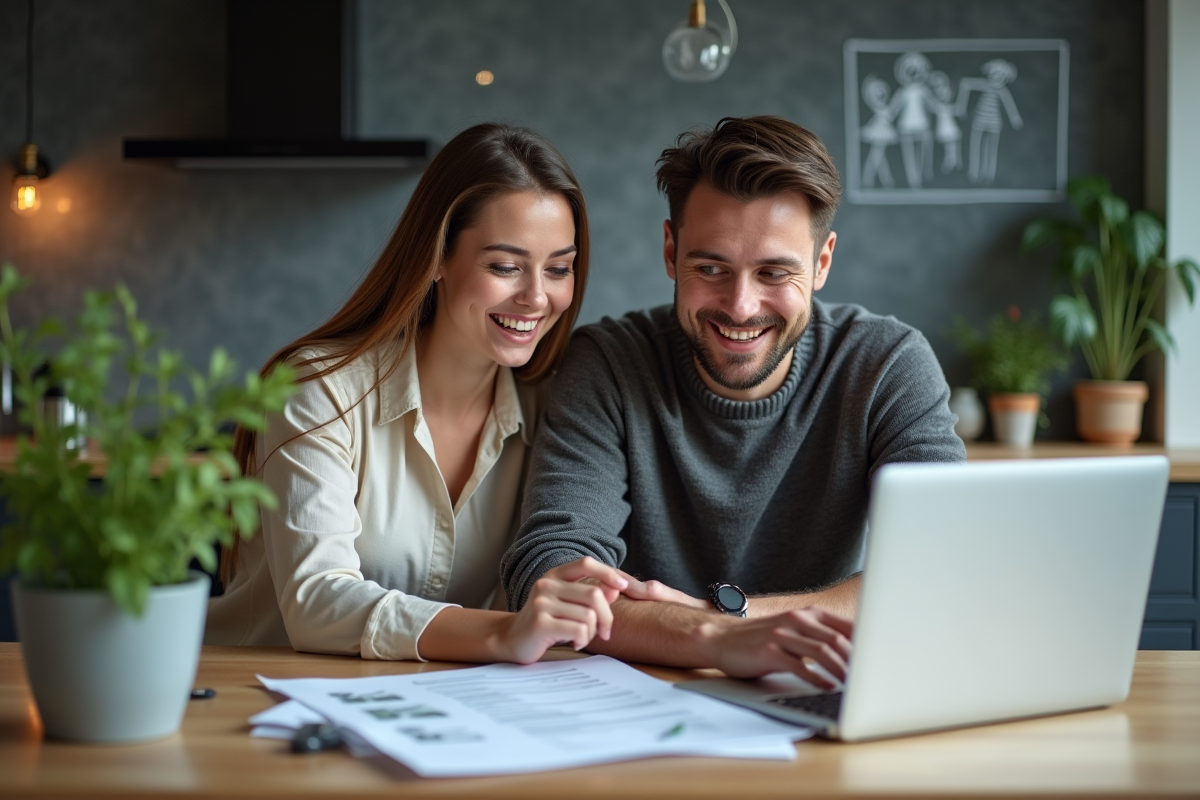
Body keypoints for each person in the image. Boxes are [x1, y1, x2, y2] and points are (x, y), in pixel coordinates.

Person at [501, 115, 966, 688]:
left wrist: (733, 619)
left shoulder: (887, 364)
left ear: (821, 264)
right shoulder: (608, 365)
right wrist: (717, 638)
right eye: (711, 268)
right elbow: (550, 580)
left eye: (774, 272)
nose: (741, 306)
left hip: (818, 683)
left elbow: (942, 564)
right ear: (671, 252)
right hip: (643, 695)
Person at [206, 123, 630, 664]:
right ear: (436, 258)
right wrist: (503, 633)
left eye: (559, 269)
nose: (536, 298)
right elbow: (316, 600)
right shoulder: (318, 388)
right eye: (505, 267)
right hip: (252, 698)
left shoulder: (553, 407)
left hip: (425, 713)